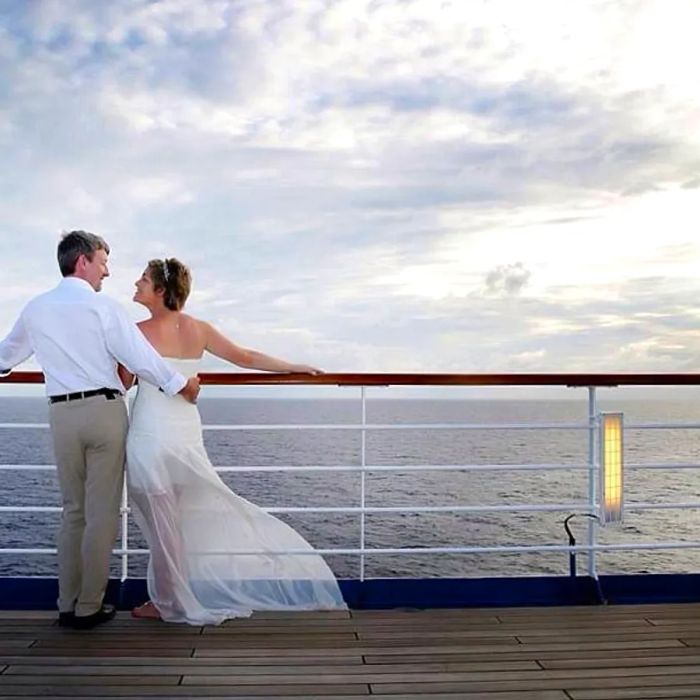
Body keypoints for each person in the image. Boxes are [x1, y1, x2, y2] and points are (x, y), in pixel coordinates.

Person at [121, 258, 346, 625]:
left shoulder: (137, 331)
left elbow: (123, 380)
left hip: (151, 433)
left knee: (163, 525)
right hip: (184, 432)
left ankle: (170, 602)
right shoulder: (200, 329)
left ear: (161, 291)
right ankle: (171, 597)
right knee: (174, 522)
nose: (137, 283)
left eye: (144, 280)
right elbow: (245, 357)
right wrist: (293, 365)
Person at [0, 231, 200, 630]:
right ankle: (89, 606)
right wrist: (181, 384)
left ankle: (66, 602)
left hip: (62, 416)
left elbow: (5, 356)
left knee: (73, 512)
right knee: (101, 513)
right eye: (103, 262)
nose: (107, 272)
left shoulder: (36, 308)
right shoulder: (103, 308)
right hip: (105, 413)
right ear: (83, 262)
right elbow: (140, 358)